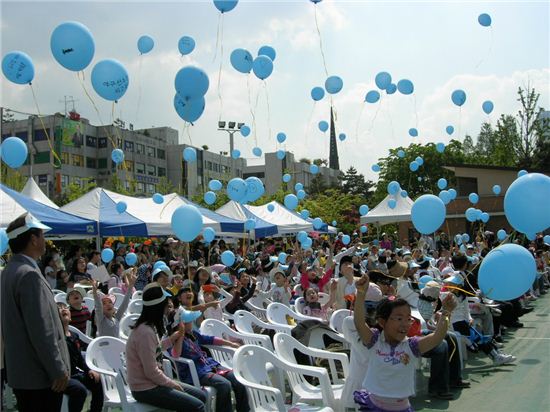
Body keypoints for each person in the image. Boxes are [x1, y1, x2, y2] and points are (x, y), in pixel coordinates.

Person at [353, 273, 457, 412]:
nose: (405, 324)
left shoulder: (411, 346)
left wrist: (446, 313)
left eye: (408, 318)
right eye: (399, 318)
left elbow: (437, 337)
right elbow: (359, 323)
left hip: (401, 408)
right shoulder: (375, 341)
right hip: (374, 406)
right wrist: (361, 293)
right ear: (382, 322)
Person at [1, 213, 70, 412]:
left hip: (22, 374)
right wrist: (57, 369)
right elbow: (42, 330)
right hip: (40, 377)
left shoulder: (9, 271)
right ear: (33, 239)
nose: (44, 240)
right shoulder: (28, 274)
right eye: (42, 235)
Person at [125, 282, 206, 412]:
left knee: (201, 396)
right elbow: (151, 372)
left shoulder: (150, 327)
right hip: (145, 388)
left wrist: (175, 336)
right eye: (166, 306)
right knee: (197, 406)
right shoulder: (145, 332)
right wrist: (173, 384)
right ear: (158, 307)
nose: (169, 309)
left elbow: (156, 348)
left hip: (154, 383)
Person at [168, 309, 249, 412]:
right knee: (224, 385)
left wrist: (231, 344)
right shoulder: (172, 339)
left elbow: (209, 339)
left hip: (209, 365)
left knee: (237, 378)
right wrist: (180, 335)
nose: (192, 323)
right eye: (189, 321)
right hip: (196, 372)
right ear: (181, 324)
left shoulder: (192, 334)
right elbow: (175, 354)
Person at [57, 302, 104, 412]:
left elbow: (79, 359)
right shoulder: (55, 336)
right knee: (80, 390)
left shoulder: (74, 336)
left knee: (97, 381)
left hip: (74, 374)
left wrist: (89, 370)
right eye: (59, 308)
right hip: (62, 376)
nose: (63, 309)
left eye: (65, 307)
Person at [92, 270, 135, 337]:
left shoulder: (116, 318)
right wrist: (95, 293)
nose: (108, 304)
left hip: (116, 346)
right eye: (104, 303)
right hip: (103, 347)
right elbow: (98, 307)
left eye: (110, 302)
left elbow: (125, 304)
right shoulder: (101, 320)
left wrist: (130, 286)